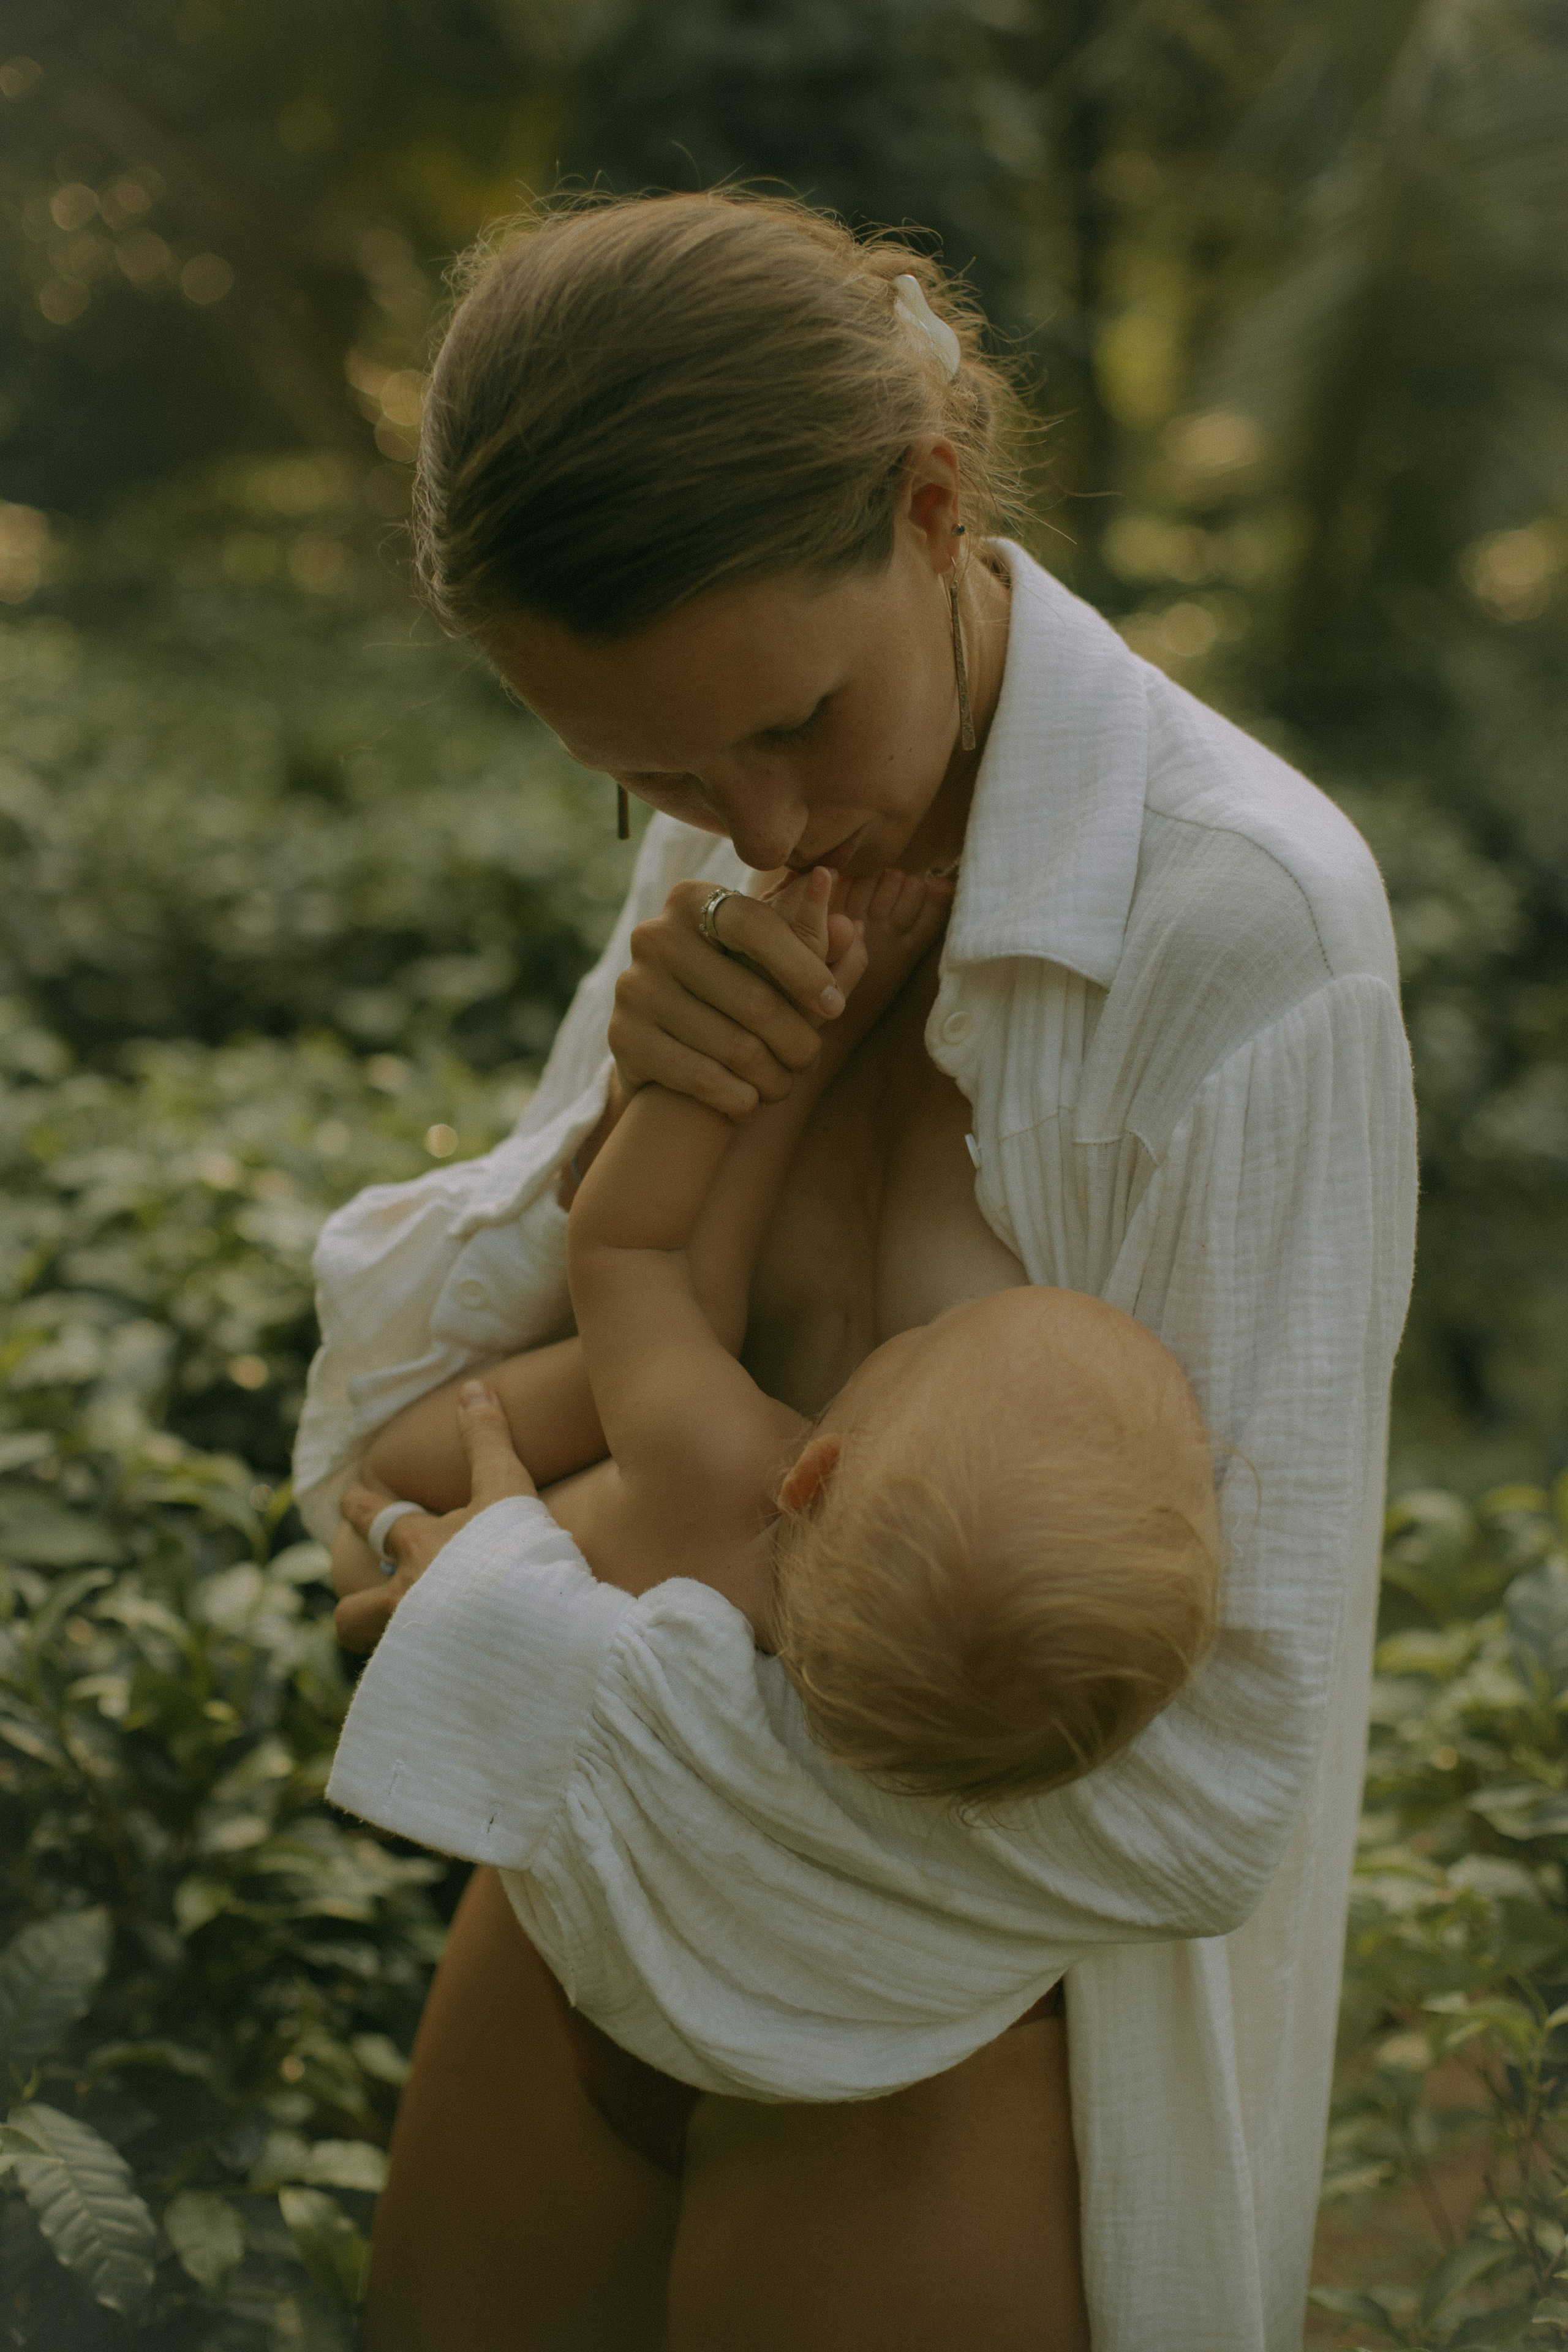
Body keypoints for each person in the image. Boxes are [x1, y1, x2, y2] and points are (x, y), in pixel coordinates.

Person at [296, 188, 1419, 2350]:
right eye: (640, 774)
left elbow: (1206, 1798)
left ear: (928, 507)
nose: (762, 825)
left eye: (798, 723)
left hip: (942, 2037)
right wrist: (637, 1121)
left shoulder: (1245, 932)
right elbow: (385, 1460)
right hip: (575, 1935)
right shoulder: (730, 824)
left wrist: (541, 1667)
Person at [334, 861, 1219, 1810]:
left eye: (928, 1344)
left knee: (680, 1332)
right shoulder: (881, 1662)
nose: (911, 1332)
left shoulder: (727, 1475)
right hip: (494, 1682)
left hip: (408, 1501)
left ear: (814, 1477)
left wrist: (804, 1027)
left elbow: (634, 1251)